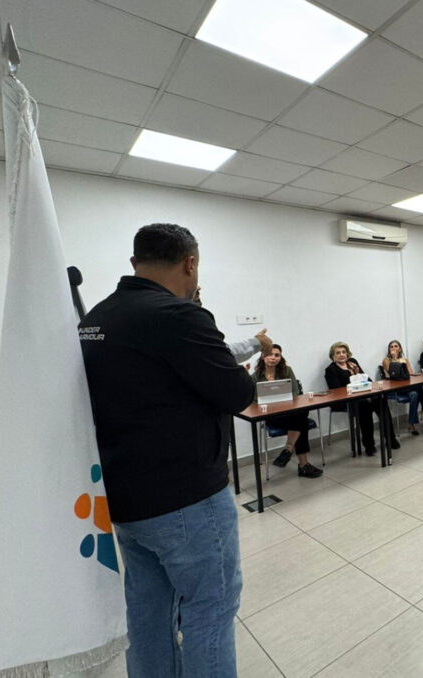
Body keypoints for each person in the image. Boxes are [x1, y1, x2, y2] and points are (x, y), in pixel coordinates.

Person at [79, 223, 255, 677]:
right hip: (186, 499)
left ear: (135, 262)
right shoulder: (179, 316)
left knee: (149, 610)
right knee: (210, 609)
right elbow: (238, 393)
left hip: (125, 500)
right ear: (190, 263)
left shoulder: (95, 319)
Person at [252, 345, 322, 477]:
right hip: (271, 415)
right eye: (269, 354)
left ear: (280, 357)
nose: (273, 357)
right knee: (302, 422)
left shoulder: (287, 370)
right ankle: (303, 465)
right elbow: (253, 401)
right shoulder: (255, 376)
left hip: (289, 412)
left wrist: (286, 403)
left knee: (301, 413)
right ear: (263, 356)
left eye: (277, 355)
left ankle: (288, 449)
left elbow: (295, 392)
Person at [324, 342, 399, 455]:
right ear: (333, 356)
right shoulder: (331, 369)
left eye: (344, 352)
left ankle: (390, 438)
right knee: (364, 406)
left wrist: (357, 372)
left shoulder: (353, 362)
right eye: (338, 353)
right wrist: (353, 377)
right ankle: (369, 445)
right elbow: (337, 390)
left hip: (364, 395)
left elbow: (367, 379)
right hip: (347, 400)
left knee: (381, 400)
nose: (341, 355)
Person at [194, 285, 272, 362]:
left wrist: (257, 343)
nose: (199, 288)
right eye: (187, 274)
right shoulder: (190, 320)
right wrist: (257, 343)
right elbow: (219, 355)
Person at [382, 339, 423, 434]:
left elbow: (410, 373)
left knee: (414, 394)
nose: (394, 348)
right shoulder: (386, 360)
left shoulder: (405, 360)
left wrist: (405, 373)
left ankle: (411, 423)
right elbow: (393, 373)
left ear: (400, 348)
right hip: (395, 387)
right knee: (419, 387)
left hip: (408, 386)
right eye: (391, 346)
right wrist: (394, 359)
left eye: (396, 346)